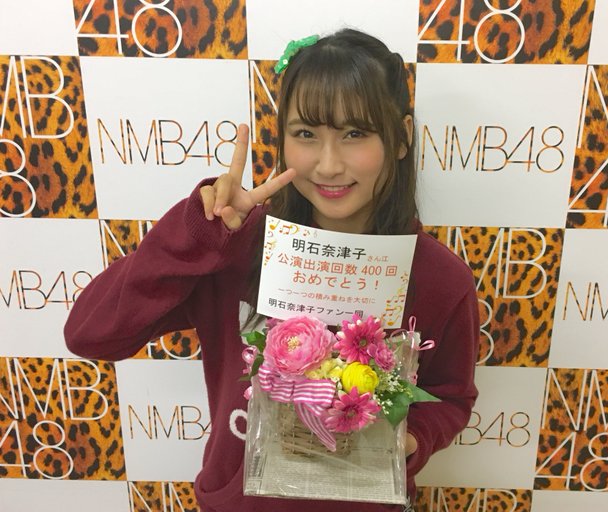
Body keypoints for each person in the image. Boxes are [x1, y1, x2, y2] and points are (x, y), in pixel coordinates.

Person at [65, 28, 479, 512]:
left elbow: (451, 397)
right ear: (282, 138)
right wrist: (198, 234)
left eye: (355, 134)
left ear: (401, 137)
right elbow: (91, 335)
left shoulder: (439, 277)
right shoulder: (235, 248)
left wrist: (407, 441)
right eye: (306, 134)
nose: (328, 164)